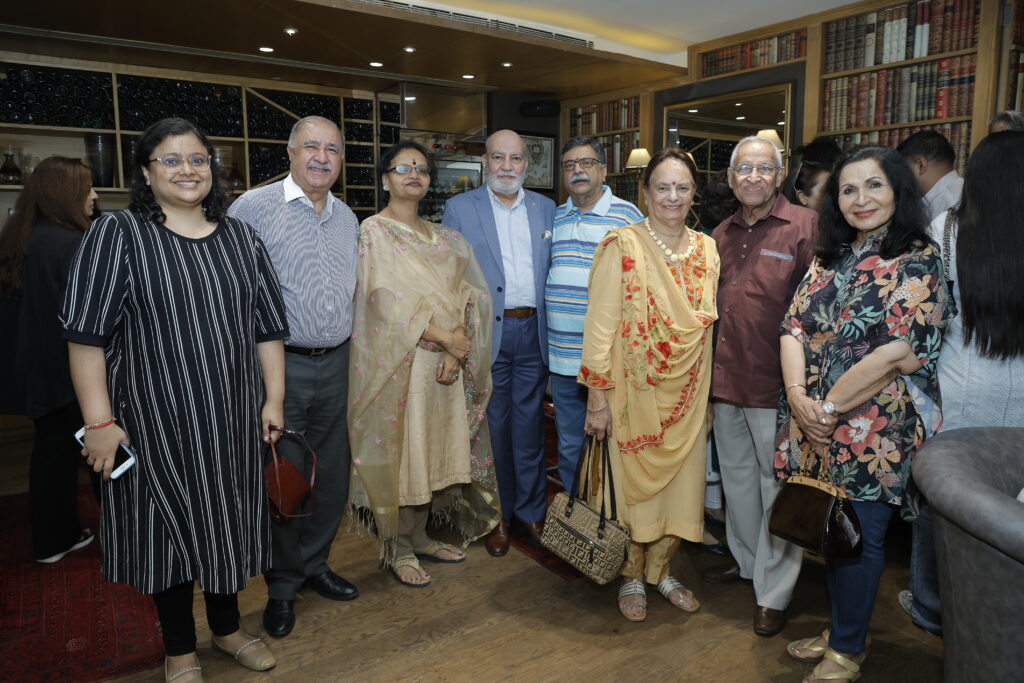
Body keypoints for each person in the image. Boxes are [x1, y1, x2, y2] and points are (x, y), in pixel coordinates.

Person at [62, 118, 288, 681]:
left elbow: (267, 329)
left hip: (232, 418)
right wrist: (99, 422)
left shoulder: (242, 238)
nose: (188, 169)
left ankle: (228, 630)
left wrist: (274, 400)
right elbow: (85, 338)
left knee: (228, 524)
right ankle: (180, 650)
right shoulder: (117, 234)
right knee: (168, 539)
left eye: (198, 159)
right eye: (171, 159)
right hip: (152, 423)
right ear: (146, 172)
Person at [778, 145, 952, 682]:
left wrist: (827, 408)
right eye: (848, 189)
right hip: (813, 420)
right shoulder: (829, 255)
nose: (861, 199)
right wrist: (798, 396)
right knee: (831, 531)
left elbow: (899, 353)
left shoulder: (918, 258)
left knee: (859, 539)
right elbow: (793, 328)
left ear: (899, 189)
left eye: (874, 185)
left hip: (874, 429)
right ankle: (841, 629)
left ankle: (848, 649)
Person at [227, 115, 360, 637]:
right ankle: (282, 586)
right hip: (280, 365)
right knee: (285, 477)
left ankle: (315, 565)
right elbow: (231, 292)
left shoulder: (348, 218)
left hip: (339, 362)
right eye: (311, 147)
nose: (322, 158)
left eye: (332, 149)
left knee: (330, 474)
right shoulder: (253, 208)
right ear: (290, 152)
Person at [348, 141, 501, 587]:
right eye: (403, 168)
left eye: (421, 169)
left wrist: (455, 349)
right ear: (385, 180)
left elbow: (471, 296)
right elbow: (384, 303)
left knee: (435, 453)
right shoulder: (375, 232)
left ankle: (420, 537)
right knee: (407, 458)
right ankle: (397, 546)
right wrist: (447, 340)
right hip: (403, 364)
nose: (413, 174)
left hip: (446, 367)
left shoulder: (447, 238)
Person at [580, 149, 719, 622]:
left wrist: (709, 398)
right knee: (629, 492)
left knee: (681, 490)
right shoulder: (621, 245)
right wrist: (597, 399)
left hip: (688, 395)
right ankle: (631, 574)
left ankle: (662, 570)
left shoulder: (708, 249)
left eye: (682, 187)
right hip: (630, 395)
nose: (672, 197)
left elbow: (707, 331)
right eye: (663, 187)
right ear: (645, 193)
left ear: (694, 193)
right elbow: (600, 328)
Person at [900, 130, 1024, 636]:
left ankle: (930, 606)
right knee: (1008, 510)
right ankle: (999, 615)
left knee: (943, 502)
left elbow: (926, 318)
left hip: (960, 391)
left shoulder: (946, 229)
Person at [704, 135, 818, 637]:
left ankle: (774, 593)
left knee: (777, 489)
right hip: (725, 381)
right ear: (731, 179)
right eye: (744, 169)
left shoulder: (806, 227)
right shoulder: (719, 234)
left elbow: (819, 313)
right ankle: (750, 565)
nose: (753, 177)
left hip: (778, 386)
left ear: (780, 175)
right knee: (738, 484)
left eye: (764, 168)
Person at [442, 129, 555, 556]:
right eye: (498, 158)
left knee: (530, 428)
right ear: (485, 162)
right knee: (491, 429)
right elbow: (449, 279)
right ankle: (496, 517)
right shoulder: (459, 208)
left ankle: (531, 513)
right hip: (485, 335)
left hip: (534, 332)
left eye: (515, 158)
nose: (507, 166)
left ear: (527, 164)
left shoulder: (547, 209)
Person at [0, 156, 99, 563]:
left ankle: (53, 539)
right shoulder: (73, 244)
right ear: (65, 194)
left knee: (52, 454)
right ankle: (127, 536)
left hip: (37, 370)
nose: (94, 195)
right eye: (87, 188)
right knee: (101, 455)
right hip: (70, 372)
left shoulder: (22, 239)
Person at [545, 136, 642, 492]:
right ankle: (579, 513)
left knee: (617, 443)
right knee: (570, 444)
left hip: (611, 360)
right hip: (563, 357)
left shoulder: (628, 218)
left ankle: (614, 518)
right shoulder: (555, 217)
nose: (578, 171)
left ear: (603, 170)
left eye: (586, 163)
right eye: (569, 165)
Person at [896, 130, 963, 222]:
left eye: (901, 171)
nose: (899, 179)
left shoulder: (955, 204)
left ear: (920, 165)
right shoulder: (964, 193)